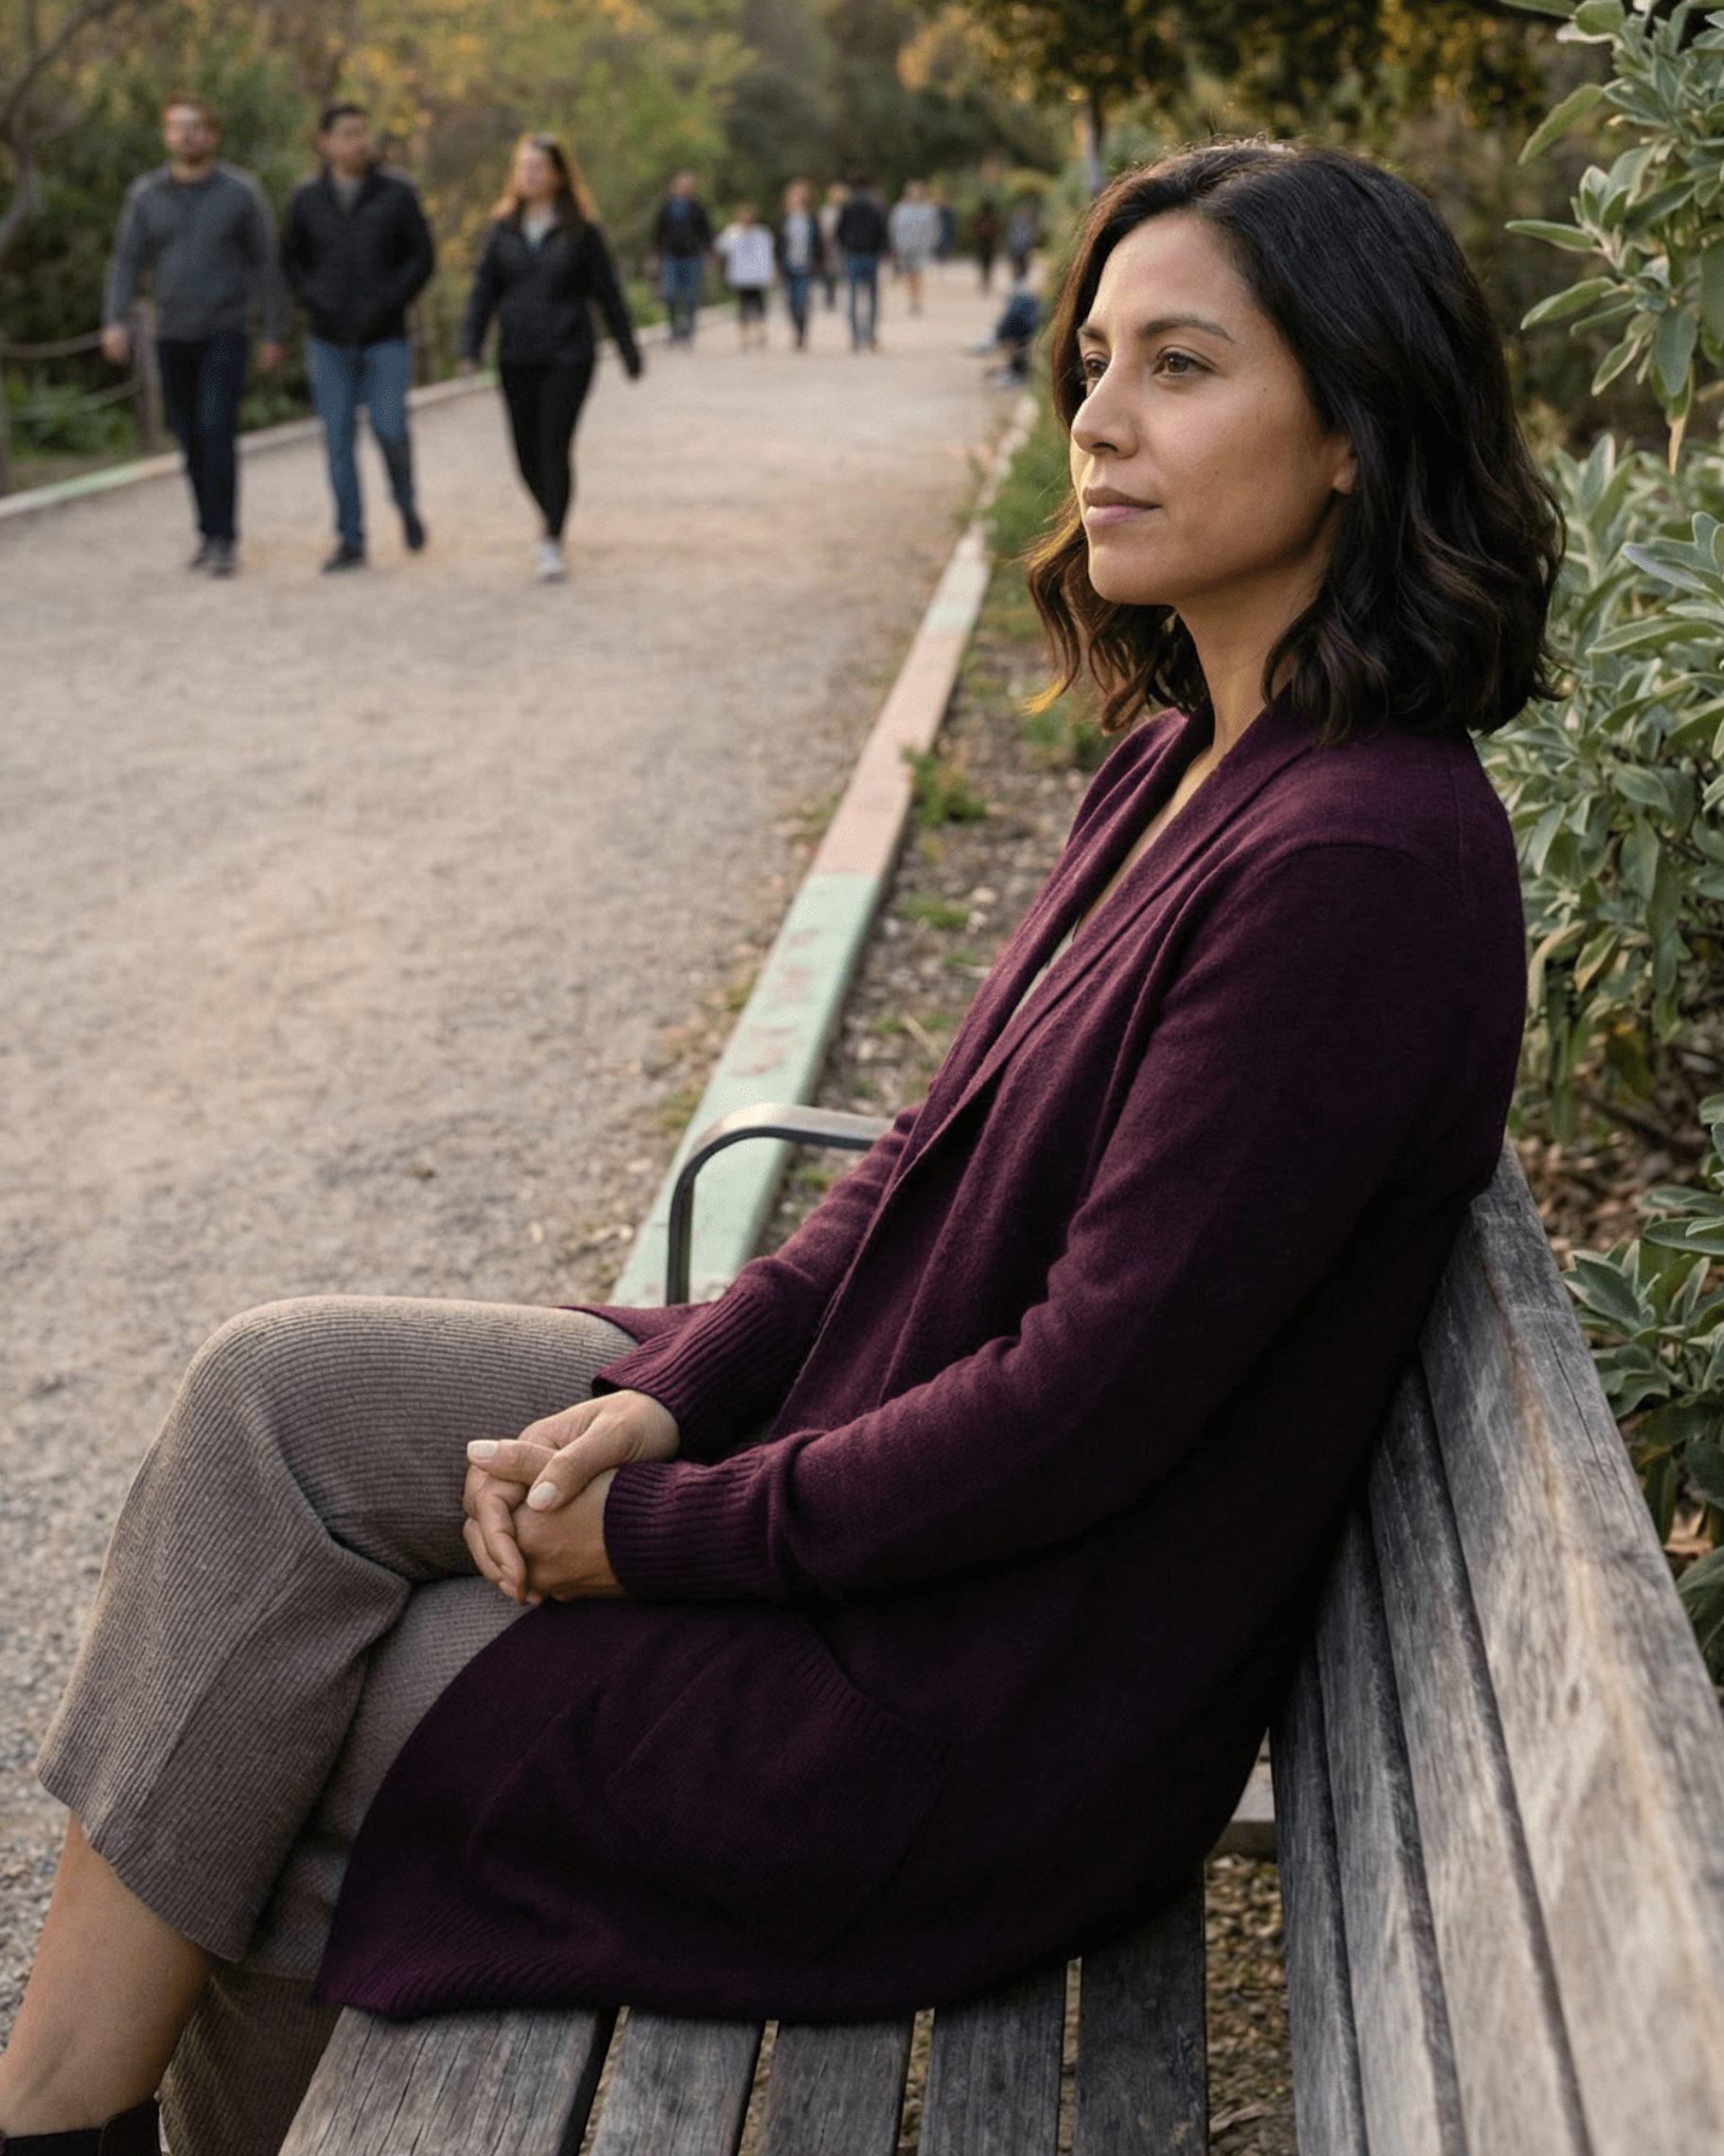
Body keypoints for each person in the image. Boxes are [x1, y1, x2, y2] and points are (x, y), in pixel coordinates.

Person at [0, 140, 1561, 2156]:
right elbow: (918, 1154)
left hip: (958, 1707)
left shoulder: (1358, 866)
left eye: (1179, 366)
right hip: (870, 1451)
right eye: (1093, 359)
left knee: (335, 1701)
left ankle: (61, 2110)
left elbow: (1078, 1403)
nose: (1096, 418)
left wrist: (657, 1532)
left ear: (1353, 425)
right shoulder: (1185, 756)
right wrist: (679, 1398)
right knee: (273, 1401)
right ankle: (55, 2107)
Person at [101, 94, 290, 577]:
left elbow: (266, 263)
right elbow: (127, 260)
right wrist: (115, 320)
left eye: (197, 126)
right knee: (188, 437)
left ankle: (225, 538)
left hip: (225, 329)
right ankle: (207, 532)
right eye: (178, 126)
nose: (188, 134)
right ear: (167, 134)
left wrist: (276, 329)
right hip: (171, 333)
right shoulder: (146, 195)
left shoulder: (240, 192)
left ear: (213, 135)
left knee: (216, 427)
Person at [458, 134, 642, 583]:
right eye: (525, 166)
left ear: (558, 174)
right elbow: (484, 292)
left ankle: (551, 538)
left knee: (553, 445)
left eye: (539, 166)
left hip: (568, 353)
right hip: (517, 354)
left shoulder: (582, 232)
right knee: (526, 455)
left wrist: (628, 349)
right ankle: (551, 512)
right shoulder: (502, 230)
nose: (530, 174)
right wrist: (470, 346)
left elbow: (607, 293)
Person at [281, 103, 435, 573]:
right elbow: (292, 261)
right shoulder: (306, 199)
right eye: (348, 134)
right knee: (338, 439)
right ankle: (351, 539)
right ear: (325, 143)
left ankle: (405, 502)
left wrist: (393, 298)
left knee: (390, 427)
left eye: (363, 133)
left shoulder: (397, 192)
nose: (359, 142)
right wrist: (314, 299)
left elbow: (422, 256)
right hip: (328, 339)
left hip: (386, 335)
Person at [650, 169, 713, 346]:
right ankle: (673, 329)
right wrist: (654, 254)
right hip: (671, 255)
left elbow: (706, 231)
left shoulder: (697, 206)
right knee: (670, 294)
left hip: (692, 256)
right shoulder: (667, 205)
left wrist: (710, 253)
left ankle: (688, 333)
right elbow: (658, 231)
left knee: (691, 296)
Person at [836, 175, 889, 352]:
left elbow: (839, 230)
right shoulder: (876, 205)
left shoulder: (848, 205)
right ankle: (871, 334)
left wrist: (845, 246)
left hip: (853, 254)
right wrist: (881, 249)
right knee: (872, 298)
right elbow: (883, 230)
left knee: (853, 297)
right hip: (871, 254)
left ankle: (855, 337)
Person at [713, 202, 774, 349]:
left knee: (759, 304)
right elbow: (720, 247)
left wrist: (770, 274)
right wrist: (731, 232)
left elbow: (768, 255)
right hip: (740, 276)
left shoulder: (761, 233)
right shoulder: (733, 232)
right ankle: (744, 334)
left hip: (758, 276)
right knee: (743, 306)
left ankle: (760, 329)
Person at [776, 180, 823, 350]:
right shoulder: (785, 219)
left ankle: (802, 333)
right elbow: (778, 244)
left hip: (806, 266)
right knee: (790, 302)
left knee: (802, 302)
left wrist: (818, 262)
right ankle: (796, 332)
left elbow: (819, 243)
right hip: (787, 265)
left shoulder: (812, 219)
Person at [887, 179, 941, 314]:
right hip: (904, 246)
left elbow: (935, 227)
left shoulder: (929, 209)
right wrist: (894, 245)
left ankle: (916, 299)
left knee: (917, 272)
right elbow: (893, 227)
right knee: (908, 273)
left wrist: (932, 243)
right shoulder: (900, 208)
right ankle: (912, 298)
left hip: (921, 246)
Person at [818, 181, 846, 309]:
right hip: (829, 247)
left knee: (843, 272)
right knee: (829, 273)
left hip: (843, 247)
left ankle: (843, 296)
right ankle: (830, 297)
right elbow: (822, 229)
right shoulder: (826, 211)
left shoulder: (846, 210)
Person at [971, 195, 1001, 290]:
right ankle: (985, 280)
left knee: (984, 263)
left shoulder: (982, 219)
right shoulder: (991, 220)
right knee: (987, 263)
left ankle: (985, 280)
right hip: (987, 243)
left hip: (984, 243)